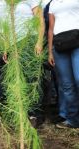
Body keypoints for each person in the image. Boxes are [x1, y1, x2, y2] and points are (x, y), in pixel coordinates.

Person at [48, 0, 79, 128]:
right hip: (60, 46)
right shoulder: (52, 4)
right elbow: (50, 29)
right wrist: (50, 52)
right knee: (67, 85)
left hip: (77, 41)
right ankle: (73, 120)